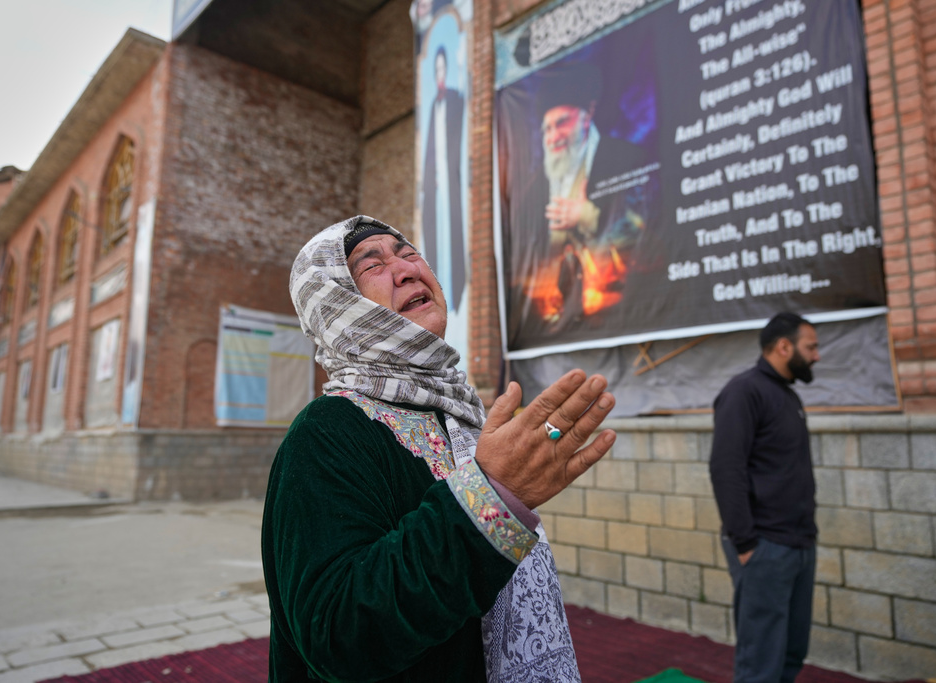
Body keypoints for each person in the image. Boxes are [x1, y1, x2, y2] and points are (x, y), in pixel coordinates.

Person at [263, 215, 616, 682]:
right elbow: (337, 634)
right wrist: (489, 499)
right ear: (337, 304)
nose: (407, 269)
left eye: (408, 253)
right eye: (372, 265)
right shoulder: (327, 431)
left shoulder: (458, 413)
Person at [506, 60, 657, 337]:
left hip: (616, 316)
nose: (553, 137)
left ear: (588, 114)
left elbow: (650, 236)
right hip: (555, 323)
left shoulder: (628, 160)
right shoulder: (533, 189)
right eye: (547, 129)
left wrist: (591, 217)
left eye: (561, 123)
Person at [708, 312, 821, 683]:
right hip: (765, 547)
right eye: (811, 347)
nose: (817, 356)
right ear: (784, 347)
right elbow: (726, 469)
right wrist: (746, 543)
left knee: (791, 653)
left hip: (799, 543)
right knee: (761, 662)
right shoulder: (744, 391)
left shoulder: (787, 396)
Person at [421, 45, 466, 312]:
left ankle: (457, 294)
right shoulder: (433, 106)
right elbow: (429, 148)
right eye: (435, 69)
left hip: (452, 183)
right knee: (433, 235)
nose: (439, 74)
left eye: (442, 69)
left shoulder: (455, 99)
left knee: (453, 231)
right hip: (435, 186)